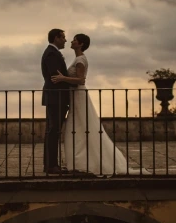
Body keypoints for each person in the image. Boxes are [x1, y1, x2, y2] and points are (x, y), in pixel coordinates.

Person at [52, 33, 130, 176]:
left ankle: (81, 163)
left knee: (80, 128)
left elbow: (81, 80)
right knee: (77, 129)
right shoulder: (78, 58)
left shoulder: (80, 59)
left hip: (79, 96)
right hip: (75, 96)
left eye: (75, 40)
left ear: (80, 44)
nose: (71, 41)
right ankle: (79, 162)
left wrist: (63, 78)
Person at [41, 29, 72, 174]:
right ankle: (51, 165)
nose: (65, 40)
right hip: (56, 97)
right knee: (53, 131)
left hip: (55, 97)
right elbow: (56, 77)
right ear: (56, 38)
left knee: (52, 130)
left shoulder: (52, 52)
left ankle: (50, 164)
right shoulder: (52, 53)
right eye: (63, 37)